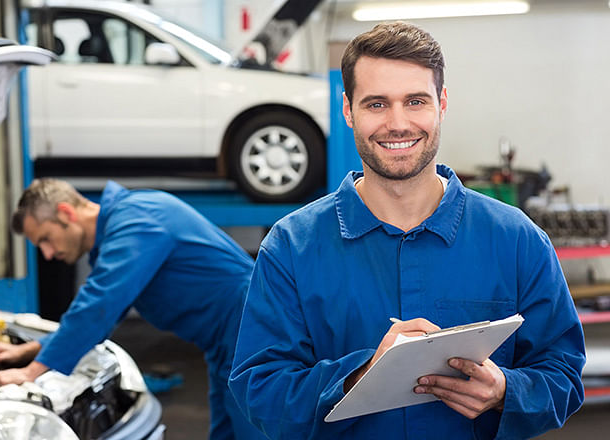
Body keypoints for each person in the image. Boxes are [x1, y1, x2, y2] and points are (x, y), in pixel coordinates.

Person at [228, 21, 585, 440]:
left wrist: (507, 390)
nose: (398, 124)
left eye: (415, 101)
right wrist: (360, 373)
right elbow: (260, 391)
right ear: (348, 109)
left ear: (442, 103)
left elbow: (563, 375)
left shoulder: (516, 239)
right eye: (376, 104)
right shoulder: (291, 246)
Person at [0, 178, 266, 440]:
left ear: (66, 213)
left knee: (254, 433)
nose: (47, 254)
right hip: (229, 341)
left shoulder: (137, 219)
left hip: (249, 331)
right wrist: (29, 350)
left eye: (45, 239)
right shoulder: (125, 226)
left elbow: (97, 305)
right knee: (228, 433)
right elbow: (99, 321)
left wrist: (31, 372)